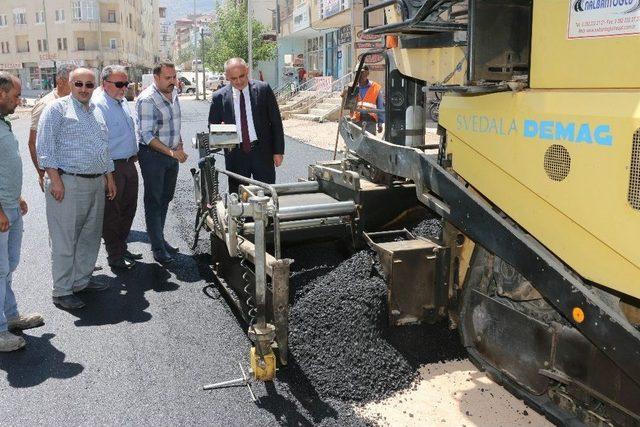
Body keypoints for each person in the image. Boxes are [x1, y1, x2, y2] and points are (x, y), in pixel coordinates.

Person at [36, 68, 116, 310]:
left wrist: (108, 177)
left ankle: (81, 281)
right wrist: (55, 180)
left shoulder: (96, 111)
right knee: (65, 239)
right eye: (79, 84)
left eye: (89, 85)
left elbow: (103, 147)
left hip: (95, 182)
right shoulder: (56, 109)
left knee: (89, 236)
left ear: (95, 87)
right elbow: (45, 146)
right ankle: (61, 290)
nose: (84, 89)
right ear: (69, 84)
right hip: (68, 182)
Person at [0, 72, 44, 351]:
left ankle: (10, 315)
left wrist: (16, 197)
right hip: (1, 211)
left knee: (8, 267)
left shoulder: (3, 124)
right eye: (15, 96)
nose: (19, 101)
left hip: (10, 206)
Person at [135, 62, 187, 265]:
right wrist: (172, 153)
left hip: (171, 155)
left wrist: (179, 145)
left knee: (165, 198)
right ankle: (157, 248)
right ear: (156, 78)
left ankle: (159, 238)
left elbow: (174, 124)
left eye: (174, 77)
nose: (173, 81)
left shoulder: (173, 93)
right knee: (154, 200)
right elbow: (147, 136)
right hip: (153, 156)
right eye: (168, 78)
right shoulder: (147, 100)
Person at [208, 57, 285, 194]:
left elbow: (275, 122)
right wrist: (224, 135)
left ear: (247, 71)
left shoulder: (263, 90)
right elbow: (212, 127)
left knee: (266, 197)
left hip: (262, 153)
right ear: (227, 77)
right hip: (235, 156)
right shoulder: (219, 97)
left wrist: (278, 151)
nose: (238, 81)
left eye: (242, 76)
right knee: (238, 199)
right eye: (233, 78)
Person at [93, 65, 140, 271]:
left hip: (129, 164)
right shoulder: (99, 105)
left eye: (125, 83)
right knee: (113, 213)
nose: (124, 88)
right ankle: (115, 255)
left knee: (129, 209)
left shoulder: (121, 102)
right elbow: (100, 143)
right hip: (113, 167)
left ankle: (122, 247)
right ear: (105, 84)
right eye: (119, 84)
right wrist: (108, 175)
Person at [29, 65, 76, 191]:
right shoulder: (45, 105)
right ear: (60, 81)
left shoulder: (74, 103)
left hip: (73, 174)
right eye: (74, 82)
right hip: (55, 175)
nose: (77, 87)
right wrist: (41, 173)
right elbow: (33, 143)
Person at [351, 65, 384, 135]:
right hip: (356, 120)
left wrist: (380, 123)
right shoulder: (353, 87)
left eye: (362, 72)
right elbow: (348, 104)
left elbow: (380, 106)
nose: (359, 75)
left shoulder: (375, 87)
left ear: (367, 73)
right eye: (357, 73)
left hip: (370, 120)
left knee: (369, 142)